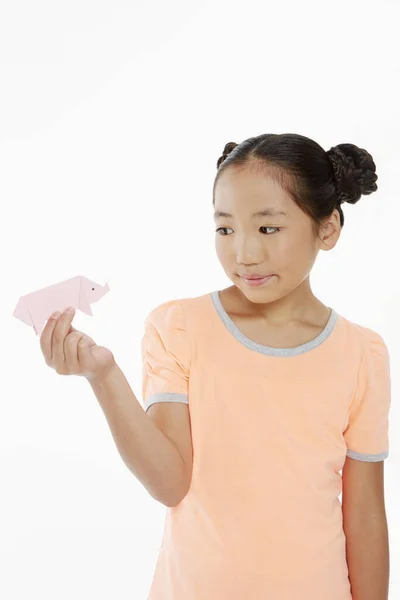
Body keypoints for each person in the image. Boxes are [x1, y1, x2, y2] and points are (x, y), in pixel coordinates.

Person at [39, 132, 391, 600]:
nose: (243, 253)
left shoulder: (362, 353)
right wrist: (103, 376)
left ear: (327, 229)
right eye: (226, 229)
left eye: (268, 228)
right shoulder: (180, 327)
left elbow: (365, 515)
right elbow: (169, 481)